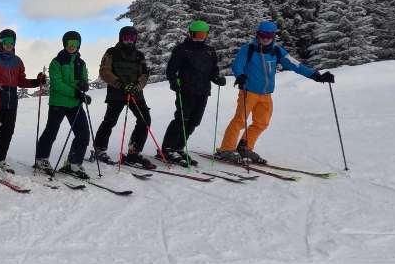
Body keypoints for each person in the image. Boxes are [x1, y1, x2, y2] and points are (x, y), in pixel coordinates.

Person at [216, 20, 334, 164]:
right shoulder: (248, 49)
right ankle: (226, 149)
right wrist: (240, 76)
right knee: (240, 120)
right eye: (262, 35)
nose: (265, 38)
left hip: (266, 94)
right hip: (249, 91)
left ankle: (244, 147)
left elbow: (296, 65)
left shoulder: (277, 51)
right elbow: (237, 65)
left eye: (269, 35)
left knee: (262, 123)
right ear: (257, 34)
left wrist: (316, 75)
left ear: (273, 36)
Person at [0, 28, 44, 173]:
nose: (8, 44)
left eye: (11, 42)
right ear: (0, 42)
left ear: (14, 43)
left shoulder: (17, 61)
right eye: (5, 41)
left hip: (11, 99)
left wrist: (36, 82)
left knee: (8, 130)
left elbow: (21, 81)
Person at [162, 20, 226, 164]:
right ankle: (167, 149)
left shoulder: (210, 51)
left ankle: (178, 148)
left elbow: (213, 70)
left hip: (203, 91)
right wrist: (174, 82)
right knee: (181, 120)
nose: (200, 37)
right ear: (190, 34)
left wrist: (217, 78)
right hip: (186, 90)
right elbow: (171, 69)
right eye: (197, 34)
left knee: (194, 121)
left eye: (203, 34)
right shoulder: (182, 49)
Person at [91, 25, 154, 167]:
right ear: (121, 38)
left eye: (132, 38)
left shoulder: (139, 55)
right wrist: (120, 84)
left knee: (144, 120)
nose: (129, 41)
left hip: (135, 93)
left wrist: (137, 86)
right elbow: (104, 71)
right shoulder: (111, 52)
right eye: (126, 38)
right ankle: (99, 148)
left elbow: (144, 74)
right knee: (110, 121)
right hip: (117, 92)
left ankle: (134, 152)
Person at [34, 31, 91, 179]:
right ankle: (41, 159)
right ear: (64, 44)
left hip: (75, 104)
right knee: (51, 132)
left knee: (83, 134)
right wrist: (75, 93)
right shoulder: (56, 62)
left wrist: (84, 87)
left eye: (75, 44)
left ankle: (73, 163)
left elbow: (84, 78)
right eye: (69, 43)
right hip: (58, 103)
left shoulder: (81, 62)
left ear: (79, 45)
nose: (72, 46)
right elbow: (57, 84)